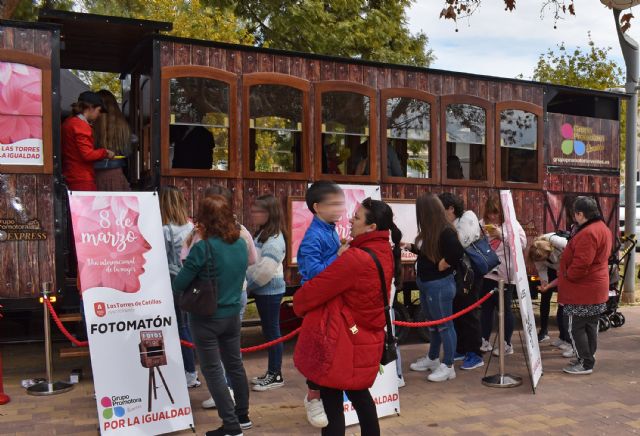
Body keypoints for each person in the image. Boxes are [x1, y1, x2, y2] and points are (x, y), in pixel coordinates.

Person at [293, 198, 401, 436]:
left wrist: (297, 304)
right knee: (360, 395)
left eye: (357, 217)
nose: (350, 220)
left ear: (371, 227)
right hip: (365, 334)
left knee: (332, 397)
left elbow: (317, 289)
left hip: (345, 337)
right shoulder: (383, 251)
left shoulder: (357, 258)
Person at [172, 195, 251, 436]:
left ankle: (230, 425)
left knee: (213, 369)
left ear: (204, 219)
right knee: (235, 364)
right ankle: (242, 416)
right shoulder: (240, 243)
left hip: (206, 316)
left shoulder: (203, 247)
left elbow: (181, 283)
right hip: (232, 313)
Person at [184, 185, 257, 410]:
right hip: (237, 293)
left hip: (207, 299)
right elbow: (252, 259)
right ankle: (238, 408)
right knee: (232, 357)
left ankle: (224, 401)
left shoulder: (200, 235)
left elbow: (186, 263)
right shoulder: (241, 231)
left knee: (213, 360)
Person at [297, 180, 345, 428]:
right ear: (317, 207)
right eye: (334, 204)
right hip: (318, 305)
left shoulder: (329, 229)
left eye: (341, 203)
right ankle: (313, 397)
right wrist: (338, 257)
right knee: (319, 351)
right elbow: (313, 274)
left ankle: (325, 395)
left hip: (333, 303)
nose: (341, 208)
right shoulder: (313, 236)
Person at [406, 194, 463, 382]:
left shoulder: (446, 230)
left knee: (445, 326)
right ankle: (432, 358)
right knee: (433, 325)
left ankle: (448, 365)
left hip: (439, 285)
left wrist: (443, 264)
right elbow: (429, 252)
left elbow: (456, 252)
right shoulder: (432, 230)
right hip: (427, 283)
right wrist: (412, 247)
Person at [558, 196, 612, 375]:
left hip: (583, 289)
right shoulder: (602, 228)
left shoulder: (588, 232)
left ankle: (585, 362)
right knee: (590, 325)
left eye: (575, 214)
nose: (574, 217)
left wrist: (568, 274)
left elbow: (581, 263)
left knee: (576, 327)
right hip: (595, 287)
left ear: (581, 214)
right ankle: (587, 357)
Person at [437, 192, 484, 371]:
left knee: (470, 313)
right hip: (458, 275)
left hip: (470, 275)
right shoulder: (450, 224)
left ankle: (475, 353)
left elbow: (462, 242)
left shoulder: (468, 217)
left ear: (451, 208)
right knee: (458, 311)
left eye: (442, 210)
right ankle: (462, 348)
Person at [160, 186, 200, 389]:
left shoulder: (166, 229)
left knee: (181, 327)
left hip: (174, 281)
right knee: (188, 326)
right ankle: (191, 370)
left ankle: (190, 372)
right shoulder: (190, 226)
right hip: (190, 280)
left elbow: (163, 259)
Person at [246, 194, 287, 391]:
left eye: (257, 211)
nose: (253, 214)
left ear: (269, 213)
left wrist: (246, 286)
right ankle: (271, 372)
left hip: (270, 292)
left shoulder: (275, 240)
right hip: (263, 291)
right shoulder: (262, 234)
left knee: (272, 332)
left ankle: (275, 374)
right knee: (270, 331)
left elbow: (264, 271)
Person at [479, 195, 527, 356]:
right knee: (485, 308)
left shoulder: (512, 224)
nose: (492, 216)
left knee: (504, 310)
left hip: (506, 275)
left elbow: (522, 243)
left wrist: (501, 235)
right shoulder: (481, 223)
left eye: (496, 213)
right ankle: (484, 341)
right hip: (486, 273)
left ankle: (506, 344)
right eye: (490, 213)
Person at [62, 91, 115, 191]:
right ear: (90, 107)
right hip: (82, 179)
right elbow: (87, 155)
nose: (99, 114)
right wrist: (105, 152)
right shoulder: (81, 125)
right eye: (99, 110)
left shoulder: (68, 122)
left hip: (71, 175)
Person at [529, 233, 571, 349]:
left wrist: (565, 266)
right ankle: (547, 332)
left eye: (543, 258)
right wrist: (544, 283)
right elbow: (542, 269)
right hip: (557, 272)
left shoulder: (556, 241)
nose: (542, 261)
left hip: (568, 269)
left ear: (548, 251)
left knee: (563, 306)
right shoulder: (536, 252)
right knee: (548, 299)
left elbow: (573, 248)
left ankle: (567, 339)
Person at [93, 89, 132, 191]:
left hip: (94, 175)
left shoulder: (91, 126)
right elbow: (127, 152)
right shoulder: (124, 127)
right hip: (116, 174)